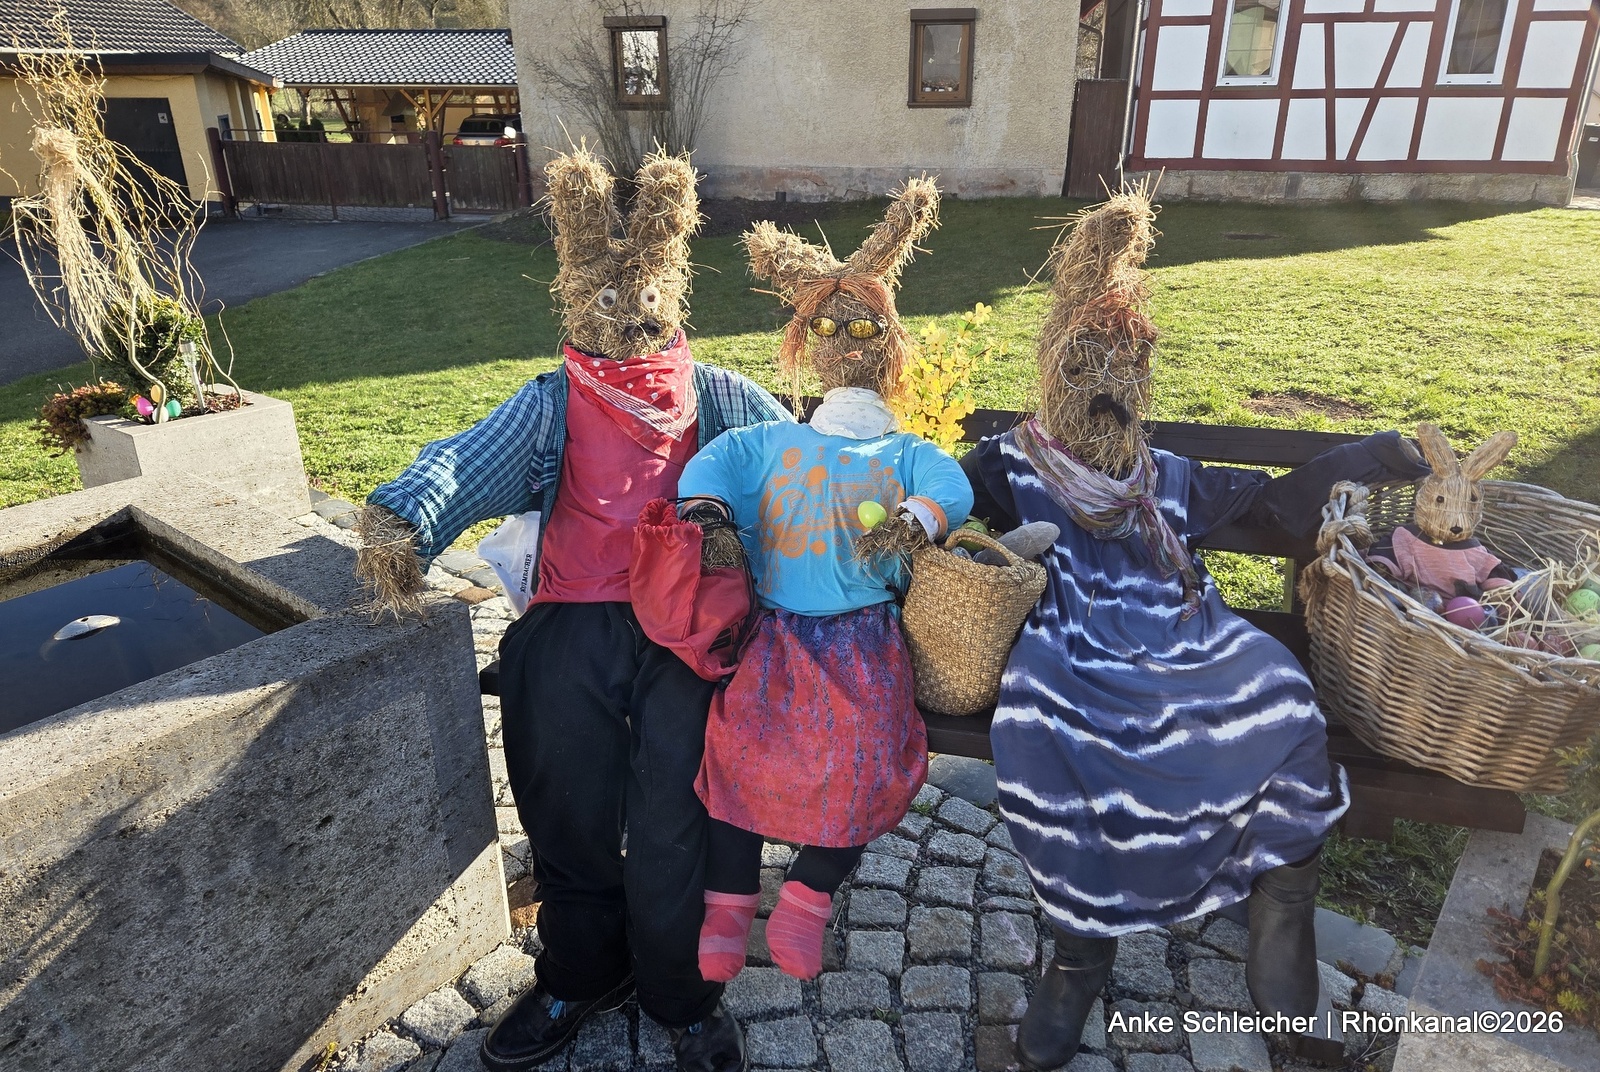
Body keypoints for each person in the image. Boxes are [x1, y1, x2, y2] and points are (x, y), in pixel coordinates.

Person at [960, 190, 1432, 1070]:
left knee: (1281, 704)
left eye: (1124, 367)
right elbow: (942, 507)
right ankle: (1080, 958)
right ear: (1055, 371)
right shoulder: (1009, 469)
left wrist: (1365, 457)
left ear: (1141, 379)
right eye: (1085, 366)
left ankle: (1281, 930)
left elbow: (1274, 509)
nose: (1105, 386)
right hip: (1073, 644)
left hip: (1186, 636)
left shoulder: (1166, 476)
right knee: (1046, 727)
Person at [354, 149, 788, 1072]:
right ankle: (582, 968)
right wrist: (405, 517)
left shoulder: (717, 395)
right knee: (561, 789)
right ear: (576, 295)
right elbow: (468, 458)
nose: (627, 315)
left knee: (681, 811)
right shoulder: (553, 400)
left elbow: (804, 470)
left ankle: (680, 992)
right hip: (574, 614)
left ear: (672, 289)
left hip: (691, 630)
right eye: (607, 299)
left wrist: (888, 509)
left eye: (643, 297)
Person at [676, 180, 973, 982]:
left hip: (862, 644)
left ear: (888, 344)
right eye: (829, 328)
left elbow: (949, 484)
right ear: (807, 342)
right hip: (773, 638)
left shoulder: (901, 451)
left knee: (868, 758)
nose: (846, 342)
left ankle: (808, 895)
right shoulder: (772, 441)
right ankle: (729, 904)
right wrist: (709, 514)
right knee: (738, 754)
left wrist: (915, 517)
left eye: (862, 328)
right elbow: (714, 465)